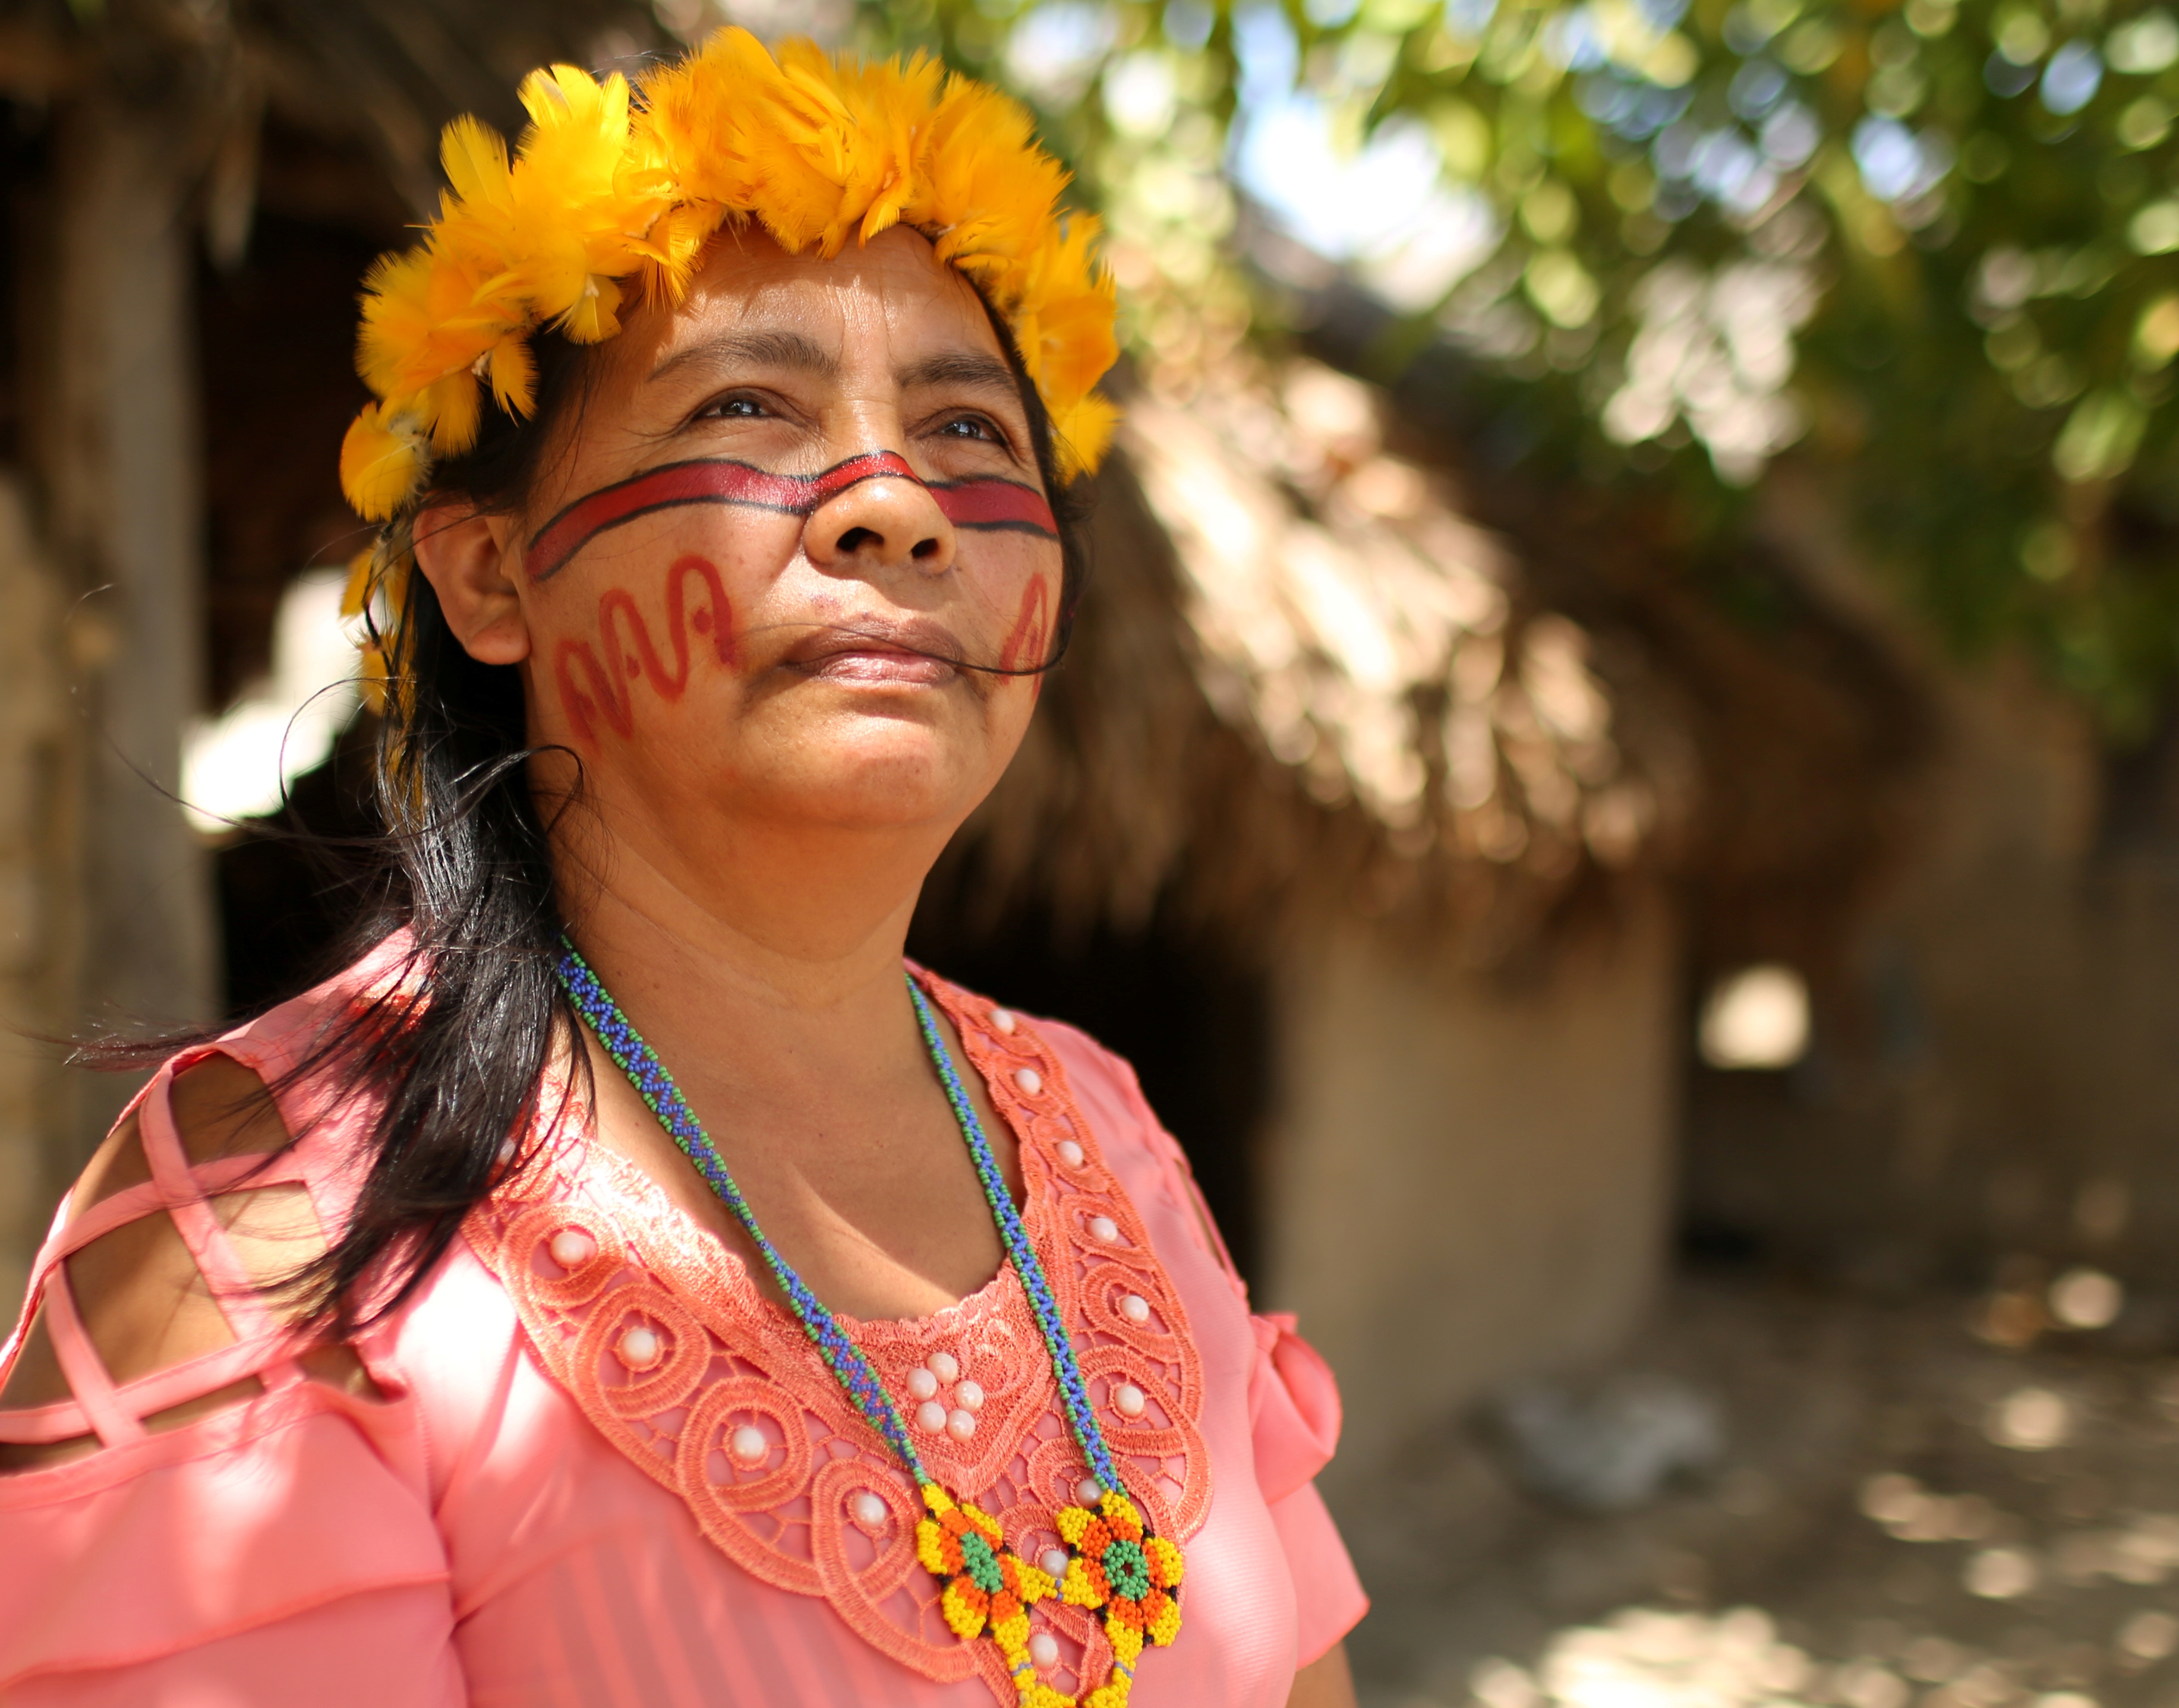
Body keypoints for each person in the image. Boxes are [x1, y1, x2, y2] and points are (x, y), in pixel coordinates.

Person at [0, 32, 1364, 1707]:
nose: (898, 504)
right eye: (749, 406)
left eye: (968, 430)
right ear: (491, 574)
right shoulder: (276, 1221)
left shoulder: (1107, 1130)